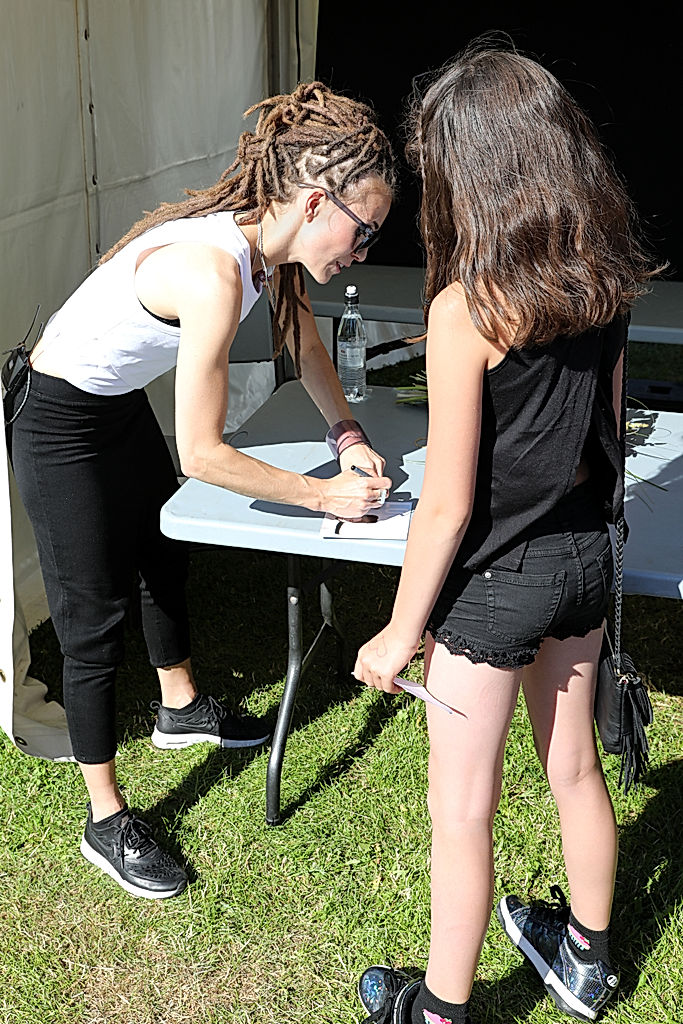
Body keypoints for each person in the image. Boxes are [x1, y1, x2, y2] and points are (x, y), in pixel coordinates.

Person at [4, 81, 394, 900]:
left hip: (109, 411)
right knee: (92, 616)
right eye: (363, 233)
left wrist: (347, 439)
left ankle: (180, 710)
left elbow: (305, 349)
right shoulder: (214, 273)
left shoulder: (270, 251)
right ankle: (104, 817)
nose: (362, 253)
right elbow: (206, 454)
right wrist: (322, 496)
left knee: (161, 554)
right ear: (318, 201)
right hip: (56, 421)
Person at [352, 40, 656, 1024]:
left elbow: (441, 504)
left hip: (492, 588)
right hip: (580, 556)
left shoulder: (465, 309)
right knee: (572, 771)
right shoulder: (603, 277)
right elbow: (605, 434)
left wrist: (400, 631)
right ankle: (588, 962)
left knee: (460, 813)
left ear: (473, 171)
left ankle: (437, 1010)